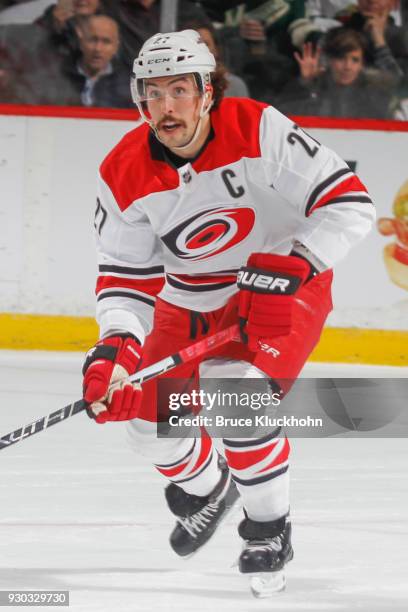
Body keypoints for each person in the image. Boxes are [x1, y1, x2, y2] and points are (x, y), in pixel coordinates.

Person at [81, 30, 375, 597]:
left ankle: (268, 528)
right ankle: (212, 485)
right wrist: (117, 345)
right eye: (153, 93)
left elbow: (350, 205)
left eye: (180, 90)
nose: (167, 107)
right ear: (139, 100)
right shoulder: (121, 172)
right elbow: (124, 277)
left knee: (233, 396)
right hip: (190, 297)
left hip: (286, 285)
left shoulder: (259, 128)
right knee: (146, 428)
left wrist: (297, 263)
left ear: (207, 91)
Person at [278, 27, 394, 118]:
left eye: (355, 60)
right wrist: (305, 83)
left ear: (362, 64)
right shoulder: (313, 85)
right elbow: (283, 114)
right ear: (329, 60)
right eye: (341, 58)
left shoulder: (373, 93)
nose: (347, 67)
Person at [61, 14, 132, 107]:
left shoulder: (129, 84)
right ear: (81, 42)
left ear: (116, 47)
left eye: (106, 41)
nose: (98, 49)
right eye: (92, 40)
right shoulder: (59, 75)